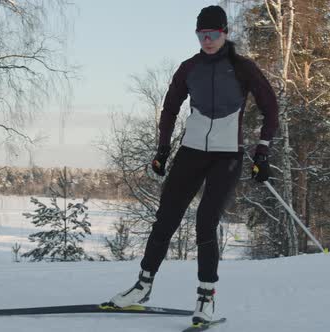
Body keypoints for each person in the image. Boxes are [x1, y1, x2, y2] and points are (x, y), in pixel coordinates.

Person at [105, 5, 278, 326]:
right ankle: (142, 286)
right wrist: (162, 150)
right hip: (191, 152)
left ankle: (205, 298)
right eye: (201, 35)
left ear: (225, 33)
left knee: (205, 221)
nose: (207, 41)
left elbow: (271, 108)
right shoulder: (189, 68)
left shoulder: (243, 68)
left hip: (227, 156)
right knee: (165, 218)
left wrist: (263, 151)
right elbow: (170, 109)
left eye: (212, 34)